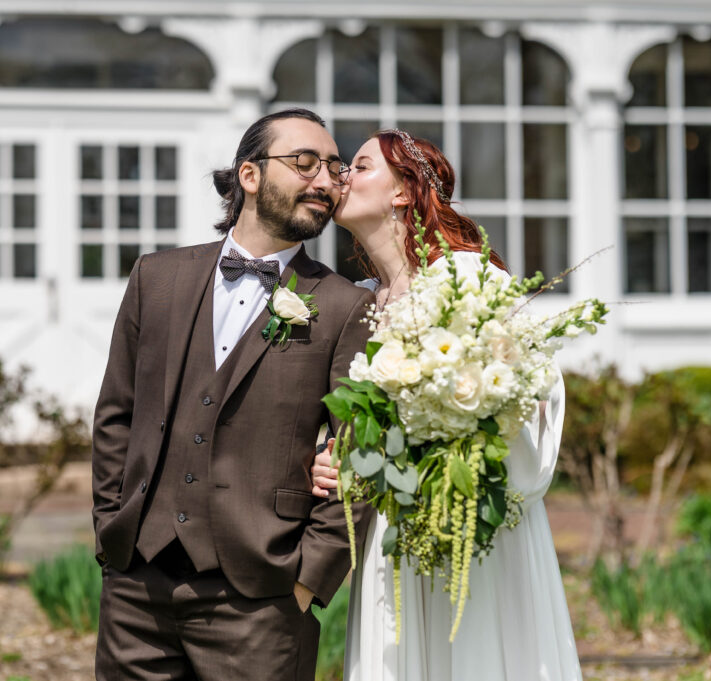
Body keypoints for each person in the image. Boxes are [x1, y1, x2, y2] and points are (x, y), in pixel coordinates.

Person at [91, 107, 374, 681]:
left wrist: (307, 581)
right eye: (304, 162)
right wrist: (110, 530)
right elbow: (116, 415)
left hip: (262, 602)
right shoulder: (157, 277)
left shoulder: (344, 306)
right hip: (135, 590)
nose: (324, 180)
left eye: (335, 167)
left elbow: (361, 454)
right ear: (250, 175)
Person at [310, 130, 583, 681]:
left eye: (358, 166)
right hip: (392, 527)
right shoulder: (356, 299)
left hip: (466, 518)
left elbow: (534, 385)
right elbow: (346, 414)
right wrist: (333, 454)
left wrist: (453, 431)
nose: (342, 178)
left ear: (402, 192)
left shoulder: (468, 276)